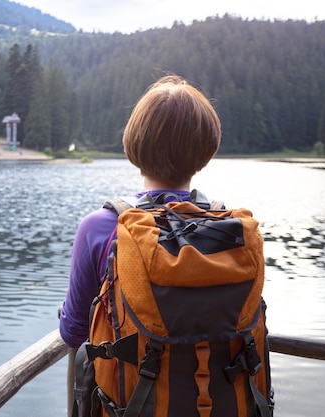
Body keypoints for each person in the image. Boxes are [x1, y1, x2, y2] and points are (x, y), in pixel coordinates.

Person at [59, 74, 222, 349]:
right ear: (208, 150)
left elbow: (74, 332)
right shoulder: (227, 228)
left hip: (131, 393)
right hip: (218, 391)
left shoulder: (101, 227)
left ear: (134, 143)